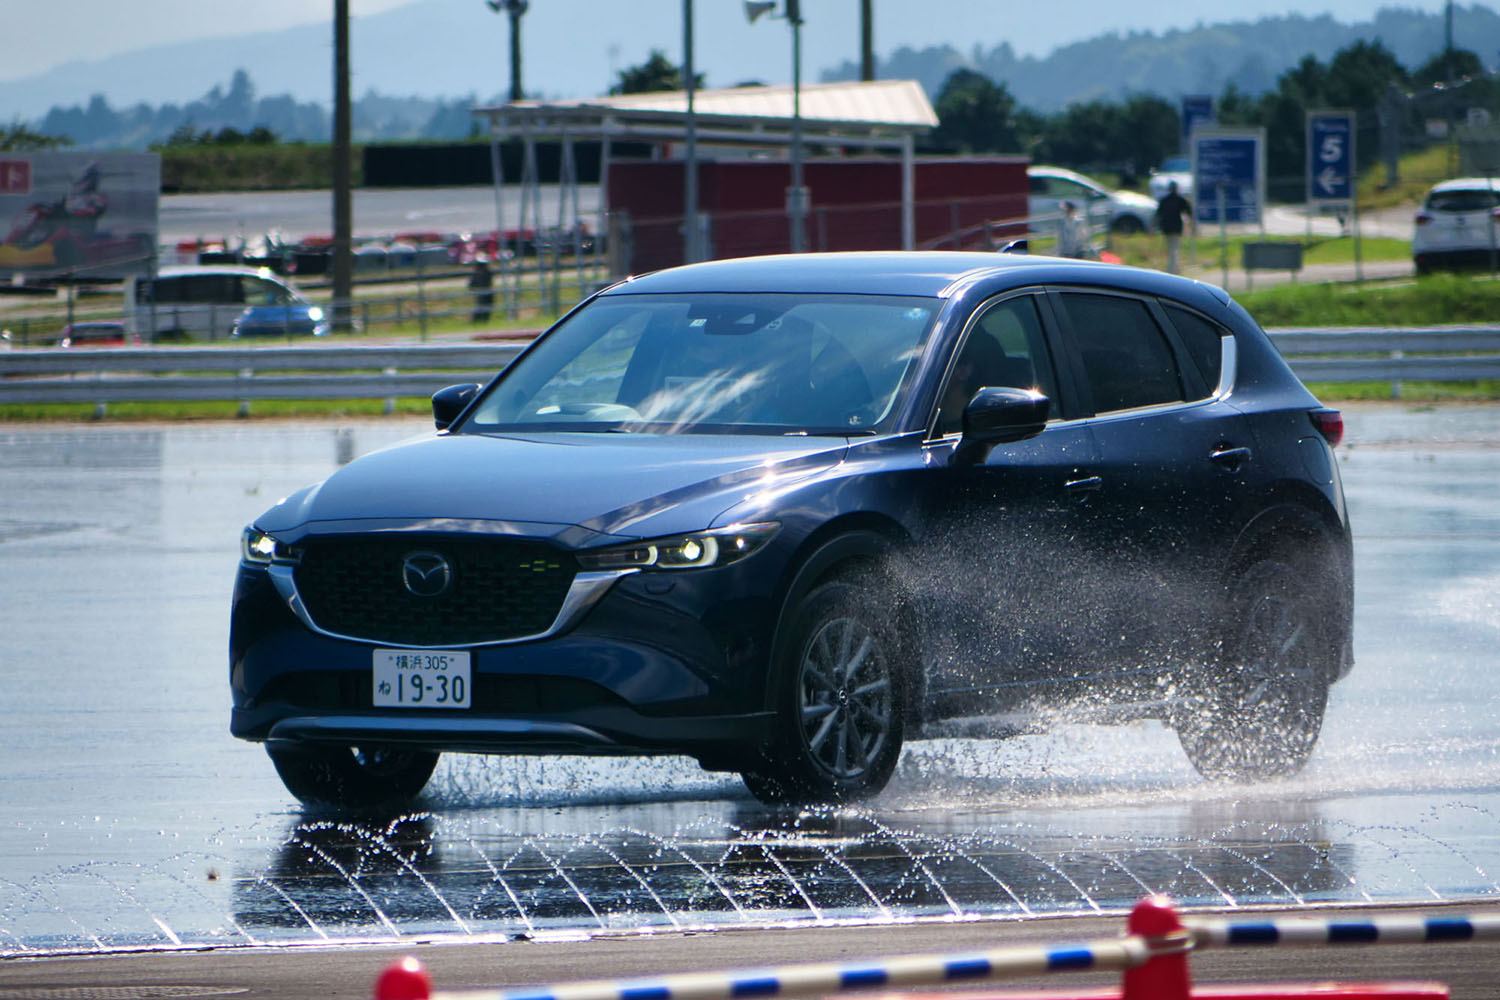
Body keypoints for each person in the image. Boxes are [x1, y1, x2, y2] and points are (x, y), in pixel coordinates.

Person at [1155, 180, 1192, 275]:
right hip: (1176, 227)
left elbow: (1158, 214)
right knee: (1175, 248)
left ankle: (1173, 268)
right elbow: (1188, 211)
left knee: (1171, 249)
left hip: (1166, 228)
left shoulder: (1164, 200)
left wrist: (1155, 227)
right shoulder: (1180, 200)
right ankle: (1174, 270)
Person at [468, 257, 494, 323]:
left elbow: (471, 285)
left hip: (486, 292)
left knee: (485, 307)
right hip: (482, 292)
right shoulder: (479, 273)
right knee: (481, 307)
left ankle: (483, 320)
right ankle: (477, 321)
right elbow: (471, 284)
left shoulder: (486, 272)